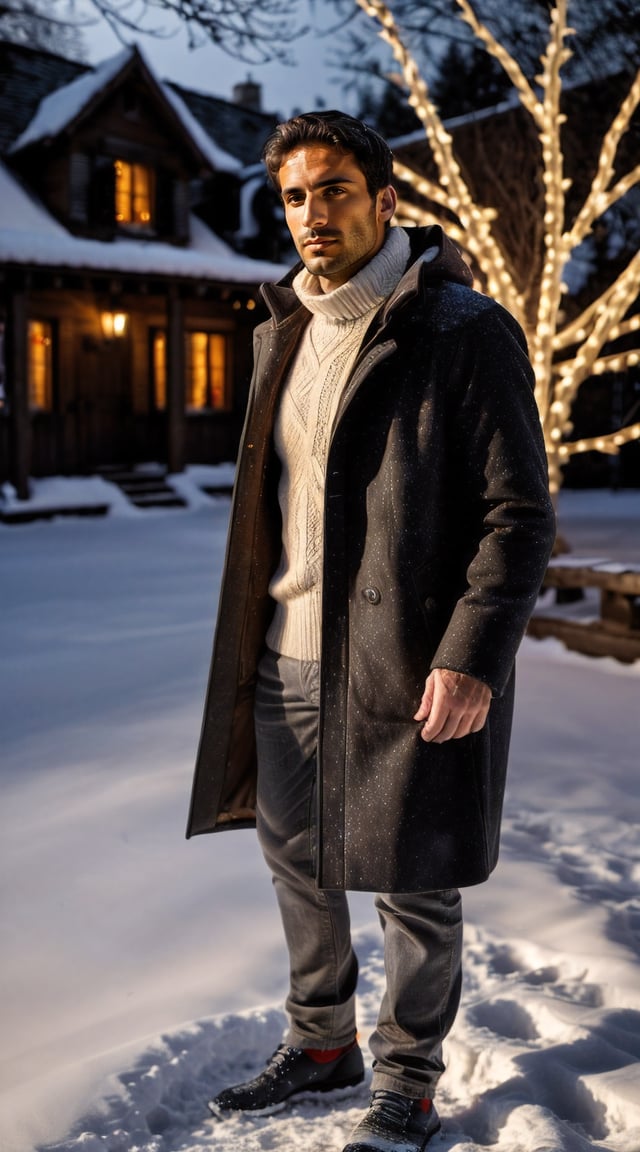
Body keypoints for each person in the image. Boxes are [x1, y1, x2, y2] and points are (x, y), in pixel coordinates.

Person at [186, 110, 556, 1152]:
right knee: (295, 860)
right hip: (283, 658)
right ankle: (321, 1045)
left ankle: (408, 1075)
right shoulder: (281, 330)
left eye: (334, 190)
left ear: (384, 200)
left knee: (413, 879)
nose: (311, 214)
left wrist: (472, 654)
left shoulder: (460, 330)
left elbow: (518, 516)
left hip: (406, 665)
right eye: (294, 196)